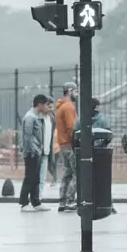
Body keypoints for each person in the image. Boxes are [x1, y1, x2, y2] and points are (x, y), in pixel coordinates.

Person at [19, 94, 51, 212]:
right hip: (31, 152)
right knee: (29, 177)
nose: (48, 107)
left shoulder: (37, 117)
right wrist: (30, 151)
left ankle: (36, 202)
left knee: (36, 177)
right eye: (46, 104)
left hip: (37, 151)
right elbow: (27, 136)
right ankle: (24, 202)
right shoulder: (30, 117)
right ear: (40, 104)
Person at [55, 82, 78, 212]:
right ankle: (70, 200)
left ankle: (62, 201)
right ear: (70, 91)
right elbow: (72, 128)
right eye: (76, 91)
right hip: (70, 145)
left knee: (67, 173)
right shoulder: (69, 107)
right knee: (77, 173)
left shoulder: (60, 107)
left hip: (62, 145)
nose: (77, 94)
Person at [38, 96, 56, 197]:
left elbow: (51, 137)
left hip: (46, 151)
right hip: (37, 152)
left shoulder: (52, 119)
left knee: (42, 179)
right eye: (49, 106)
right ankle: (31, 199)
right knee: (34, 178)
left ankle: (38, 199)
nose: (50, 109)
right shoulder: (37, 118)